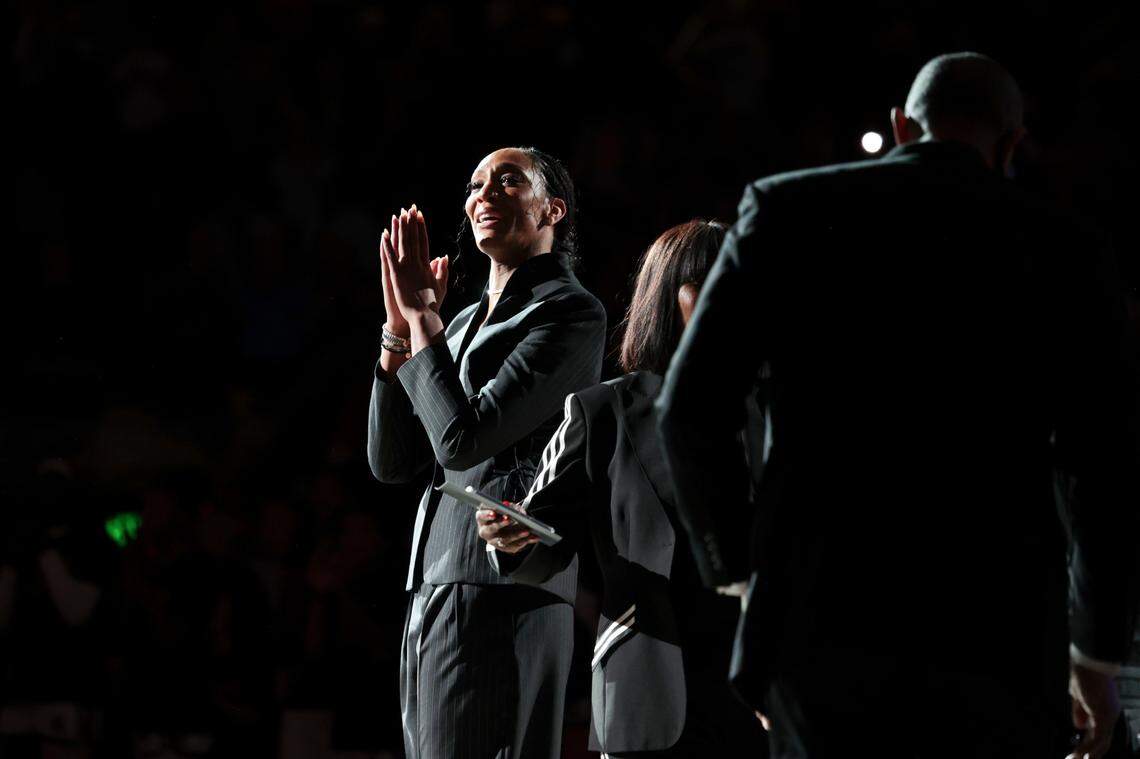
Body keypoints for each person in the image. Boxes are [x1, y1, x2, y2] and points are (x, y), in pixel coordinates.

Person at [656, 52, 1140, 759]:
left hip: (818, 621)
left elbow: (689, 406)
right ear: (1011, 142)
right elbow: (1099, 461)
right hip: (997, 629)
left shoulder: (784, 207)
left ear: (902, 125)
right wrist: (1094, 655)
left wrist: (738, 569)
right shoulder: (1068, 247)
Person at [476, 220, 766, 757]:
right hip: (645, 686)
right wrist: (510, 537)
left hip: (761, 690)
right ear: (666, 296)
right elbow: (545, 543)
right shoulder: (602, 411)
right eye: (713, 284)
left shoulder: (777, 408)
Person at [367, 146, 607, 759]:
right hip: (437, 581)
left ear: (552, 209)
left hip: (504, 585)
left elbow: (461, 441)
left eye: (507, 180)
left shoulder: (570, 312)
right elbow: (392, 461)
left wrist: (423, 318)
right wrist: (401, 329)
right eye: (476, 184)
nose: (485, 194)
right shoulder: (463, 319)